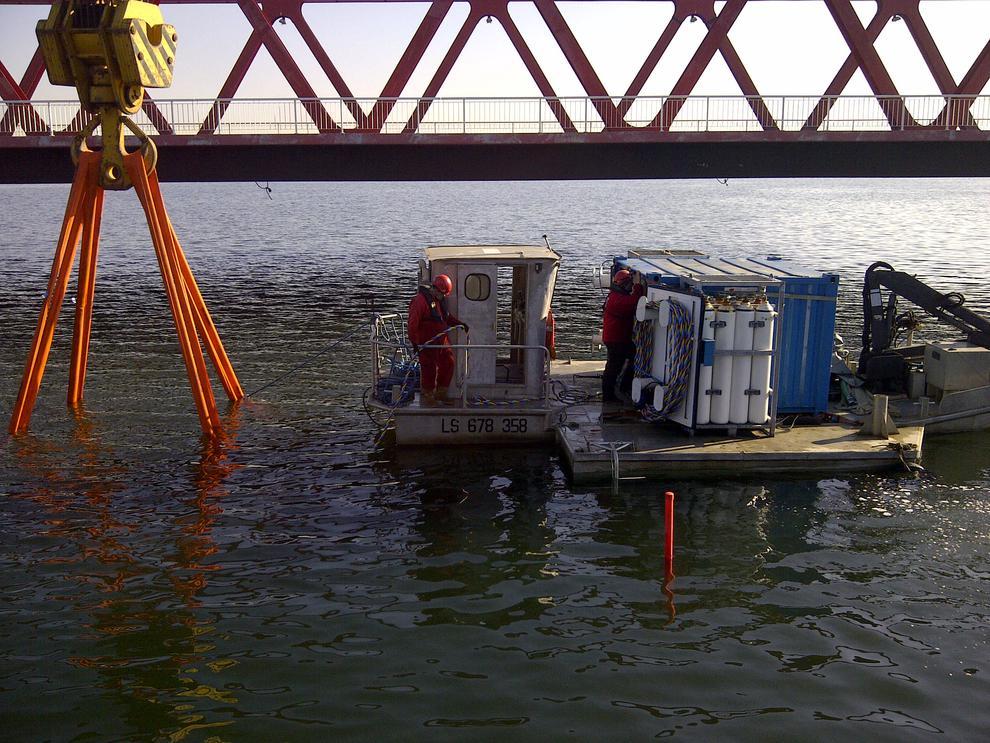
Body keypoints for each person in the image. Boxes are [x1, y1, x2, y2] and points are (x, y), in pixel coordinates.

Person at [407, 274, 468, 406]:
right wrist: (415, 343)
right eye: (442, 294)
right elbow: (412, 324)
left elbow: (446, 318)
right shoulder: (420, 301)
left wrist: (460, 324)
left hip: (441, 341)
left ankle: (441, 393)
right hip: (427, 342)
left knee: (449, 363)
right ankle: (428, 395)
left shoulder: (438, 300)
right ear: (435, 289)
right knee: (429, 368)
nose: (443, 297)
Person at [601, 268, 644, 403]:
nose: (630, 286)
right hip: (616, 339)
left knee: (627, 359)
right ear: (623, 284)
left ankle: (622, 387)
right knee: (614, 368)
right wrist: (638, 285)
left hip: (616, 338)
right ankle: (610, 395)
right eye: (629, 283)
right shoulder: (617, 300)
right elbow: (634, 302)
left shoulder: (613, 296)